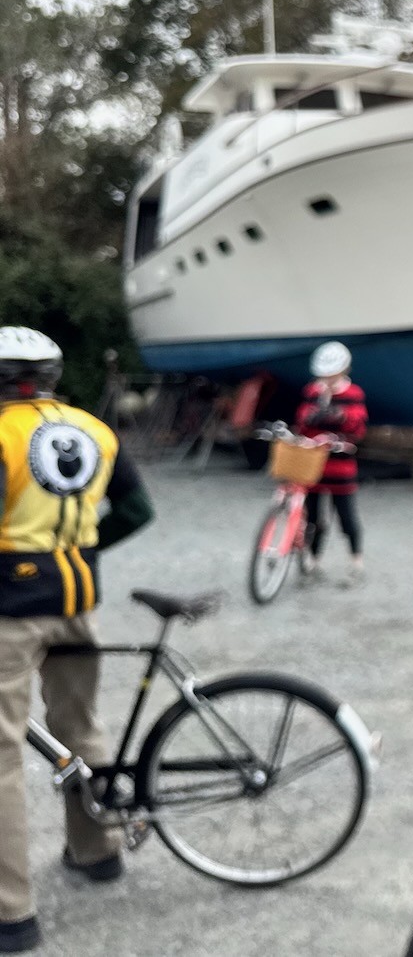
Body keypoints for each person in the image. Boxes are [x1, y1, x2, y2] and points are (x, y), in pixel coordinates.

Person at [0, 327, 154, 953]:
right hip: (75, 602)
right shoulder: (95, 430)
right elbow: (137, 510)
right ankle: (97, 851)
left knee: (2, 758)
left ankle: (11, 913)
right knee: (81, 725)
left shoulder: (2, 434)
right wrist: (83, 551)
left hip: (11, 608)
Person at [294, 341, 367, 587]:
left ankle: (356, 559)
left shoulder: (353, 394)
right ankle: (313, 560)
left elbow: (358, 427)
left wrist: (339, 416)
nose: (326, 379)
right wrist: (310, 416)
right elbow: (302, 422)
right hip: (314, 465)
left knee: (346, 515)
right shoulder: (312, 391)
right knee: (314, 518)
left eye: (331, 374)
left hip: (340, 465)